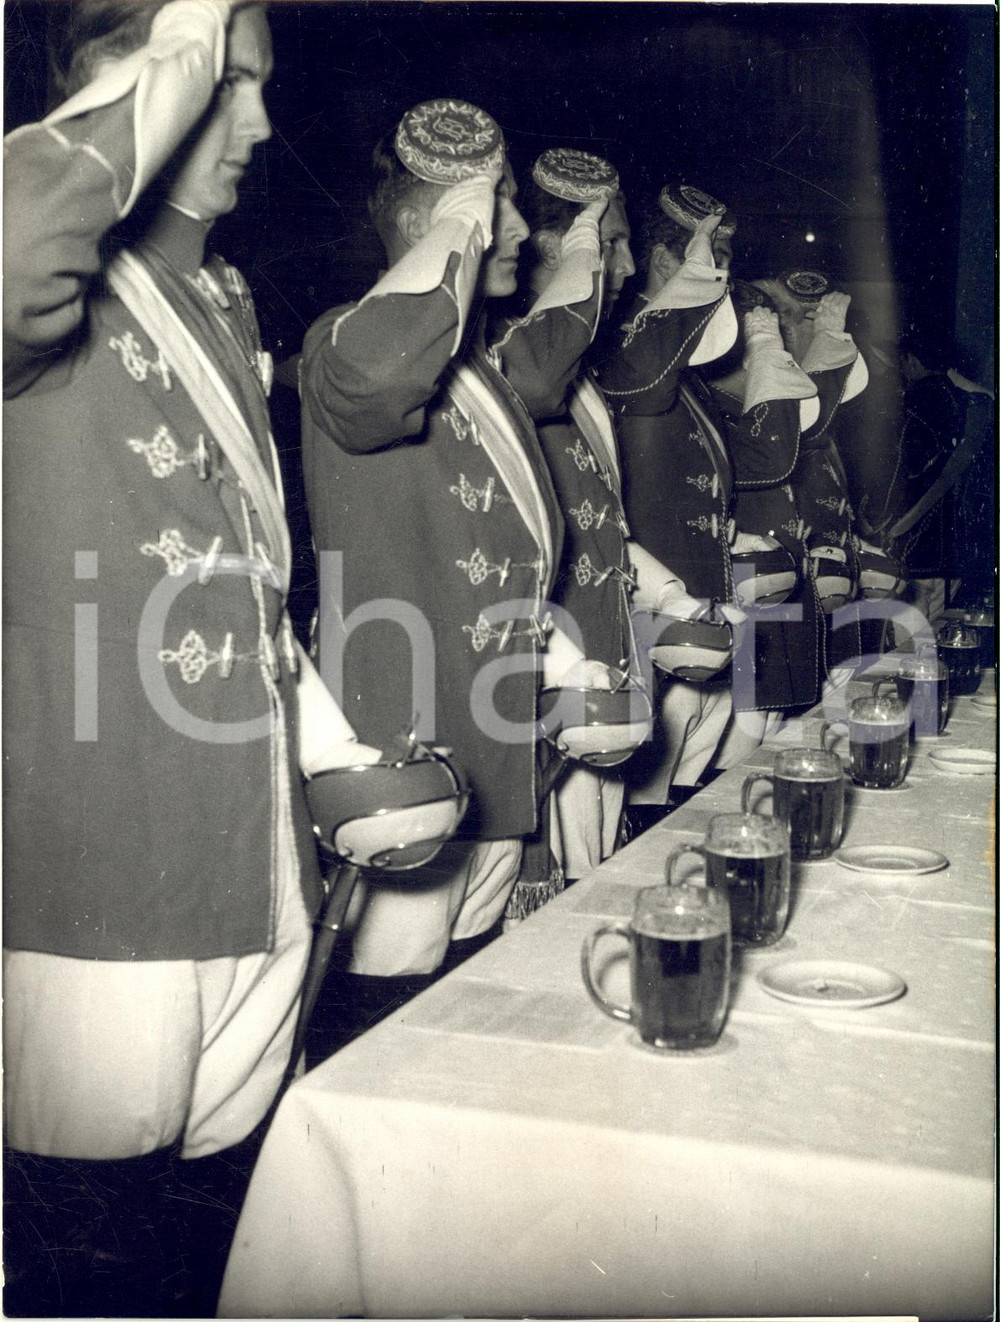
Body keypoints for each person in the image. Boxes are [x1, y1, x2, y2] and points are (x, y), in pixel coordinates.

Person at [3, 4, 377, 1314]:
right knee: (87, 1266)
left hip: (258, 858)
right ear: (145, 82)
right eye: (234, 89)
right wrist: (176, 58)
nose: (263, 127)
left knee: (210, 1255)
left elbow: (243, 583)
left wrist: (338, 754)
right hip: (108, 893)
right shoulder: (44, 265)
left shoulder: (215, 294)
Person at [300, 101, 602, 1006]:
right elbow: (382, 371)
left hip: (501, 763)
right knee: (381, 1037)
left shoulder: (484, 377)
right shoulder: (344, 344)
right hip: (406, 770)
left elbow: (546, 367)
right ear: (426, 222)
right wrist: (462, 217)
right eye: (492, 206)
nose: (513, 227)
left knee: (471, 1029)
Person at [492, 148, 704, 894]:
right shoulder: (508, 361)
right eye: (608, 244)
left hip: (608, 683)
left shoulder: (581, 379)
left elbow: (601, 529)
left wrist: (671, 592)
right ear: (559, 246)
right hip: (550, 698)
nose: (622, 266)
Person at [597, 184, 790, 819]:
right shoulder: (626, 354)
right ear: (664, 262)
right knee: (644, 814)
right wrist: (693, 283)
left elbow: (767, 462)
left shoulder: (693, 381)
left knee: (692, 805)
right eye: (714, 263)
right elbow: (646, 379)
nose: (724, 282)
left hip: (705, 620)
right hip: (652, 620)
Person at [870, 330, 995, 622]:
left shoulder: (911, 404)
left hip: (914, 549)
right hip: (958, 554)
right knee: (941, 638)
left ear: (911, 361)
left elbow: (896, 476)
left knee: (906, 647)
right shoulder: (976, 405)